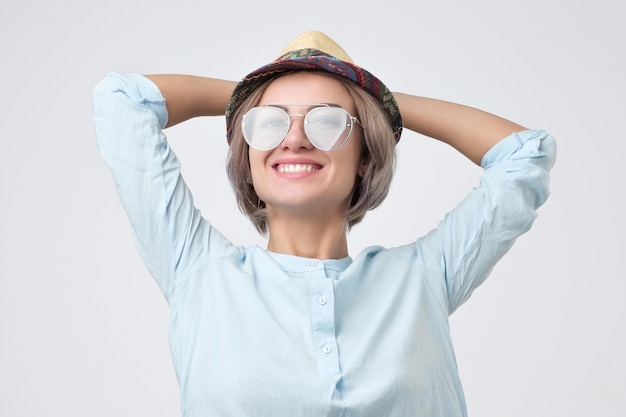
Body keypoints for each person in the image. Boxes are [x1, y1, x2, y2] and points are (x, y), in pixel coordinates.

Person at [93, 30, 556, 416]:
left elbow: (524, 153)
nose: (294, 138)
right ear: (248, 157)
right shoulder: (198, 272)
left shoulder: (423, 279)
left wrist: (375, 98)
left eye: (328, 122)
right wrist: (262, 91)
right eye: (270, 123)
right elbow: (122, 101)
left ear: (364, 156)